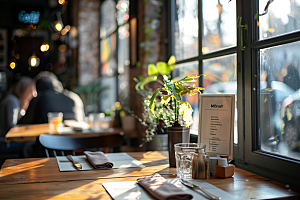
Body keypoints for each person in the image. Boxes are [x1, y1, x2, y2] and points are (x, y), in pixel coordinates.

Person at [19, 71, 85, 124]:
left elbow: (24, 122)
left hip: (47, 139)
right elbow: (82, 120)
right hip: (76, 138)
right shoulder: (74, 97)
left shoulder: (40, 98)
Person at [0, 77, 37, 158]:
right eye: (30, 90)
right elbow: (11, 128)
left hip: (6, 141)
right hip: (4, 143)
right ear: (21, 90)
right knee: (32, 145)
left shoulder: (15, 101)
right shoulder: (12, 101)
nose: (34, 94)